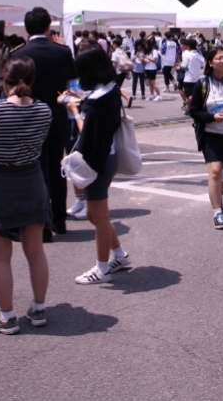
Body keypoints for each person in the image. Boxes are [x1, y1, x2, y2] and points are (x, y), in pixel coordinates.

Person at [0, 58, 53, 335]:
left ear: (4, 81)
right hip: (32, 180)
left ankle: (7, 317)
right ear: (31, 81)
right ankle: (39, 308)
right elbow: (40, 142)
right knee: (35, 251)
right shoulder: (43, 109)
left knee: (1, 256)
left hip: (0, 185)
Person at [64, 44, 132, 284]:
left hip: (96, 162)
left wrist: (74, 110)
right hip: (107, 158)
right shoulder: (110, 90)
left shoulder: (95, 101)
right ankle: (120, 255)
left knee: (99, 217)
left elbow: (86, 133)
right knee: (95, 214)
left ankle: (102, 268)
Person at [10, 7, 77, 238]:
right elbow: (72, 81)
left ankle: (42, 224)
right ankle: (59, 221)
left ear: (27, 28)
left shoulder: (19, 54)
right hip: (57, 116)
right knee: (57, 170)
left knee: (36, 172)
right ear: (48, 26)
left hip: (28, 119)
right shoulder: (62, 51)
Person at [188, 47, 223, 229]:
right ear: (210, 62)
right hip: (210, 136)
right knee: (216, 172)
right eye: (218, 58)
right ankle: (218, 212)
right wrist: (212, 117)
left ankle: (217, 199)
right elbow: (193, 111)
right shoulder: (202, 84)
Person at [180, 37, 205, 111]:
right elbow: (202, 66)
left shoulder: (187, 54)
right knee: (195, 94)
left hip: (188, 78)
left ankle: (189, 109)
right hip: (197, 78)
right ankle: (192, 108)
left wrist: (180, 65)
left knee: (189, 95)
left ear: (188, 46)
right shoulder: (199, 55)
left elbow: (184, 65)